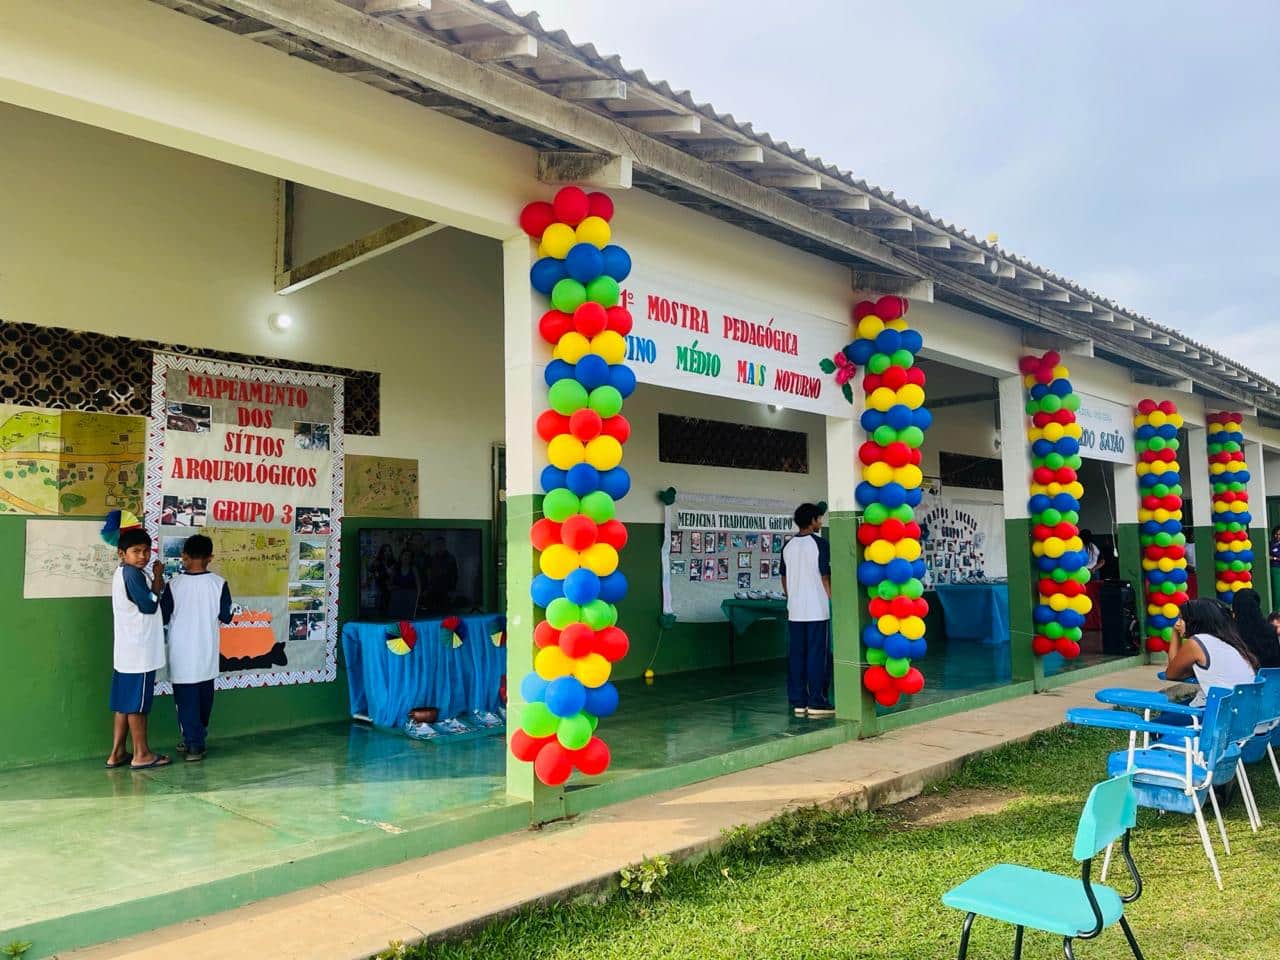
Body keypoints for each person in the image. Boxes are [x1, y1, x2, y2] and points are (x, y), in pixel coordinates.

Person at [160, 534, 233, 761]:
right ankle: (196, 737)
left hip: (181, 654)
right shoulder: (219, 584)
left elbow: (162, 615)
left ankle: (194, 744)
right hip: (207, 653)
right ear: (210, 558)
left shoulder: (174, 585)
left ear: (184, 556)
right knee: (204, 701)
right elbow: (227, 616)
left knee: (185, 702)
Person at [106, 526, 170, 769]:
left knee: (124, 703)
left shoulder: (125, 573)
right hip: (139, 651)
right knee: (137, 705)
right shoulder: (132, 574)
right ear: (122, 554)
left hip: (127, 651)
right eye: (136, 551)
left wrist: (154, 580)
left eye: (146, 551)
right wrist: (158, 580)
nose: (142, 556)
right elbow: (149, 605)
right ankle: (141, 754)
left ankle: (117, 752)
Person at [780, 503, 833, 718]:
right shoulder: (821, 544)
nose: (820, 523)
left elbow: (783, 577)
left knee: (797, 656)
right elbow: (825, 575)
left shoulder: (788, 546)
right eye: (819, 519)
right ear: (812, 521)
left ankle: (798, 702)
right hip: (817, 609)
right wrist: (831, 598)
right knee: (817, 656)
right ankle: (817, 702)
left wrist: (791, 597)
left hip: (795, 610)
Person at [1165, 597, 1259, 708]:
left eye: (1181, 618)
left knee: (1162, 718)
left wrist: (1175, 634)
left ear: (1195, 620)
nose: (1177, 624)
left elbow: (1171, 673)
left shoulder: (1196, 643)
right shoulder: (1229, 641)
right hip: (1245, 711)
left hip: (1222, 716)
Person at [1231, 588, 1280, 669]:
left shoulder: (1232, 633)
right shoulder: (1271, 631)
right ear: (1257, 606)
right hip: (1273, 678)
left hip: (1244, 679)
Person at [425, 536, 459, 612]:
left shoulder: (451, 558)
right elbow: (429, 574)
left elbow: (454, 575)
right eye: (437, 544)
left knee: (446, 613)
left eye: (441, 544)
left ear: (444, 545)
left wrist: (453, 590)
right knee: (435, 612)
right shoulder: (432, 558)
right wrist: (429, 587)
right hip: (434, 590)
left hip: (447, 590)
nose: (439, 546)